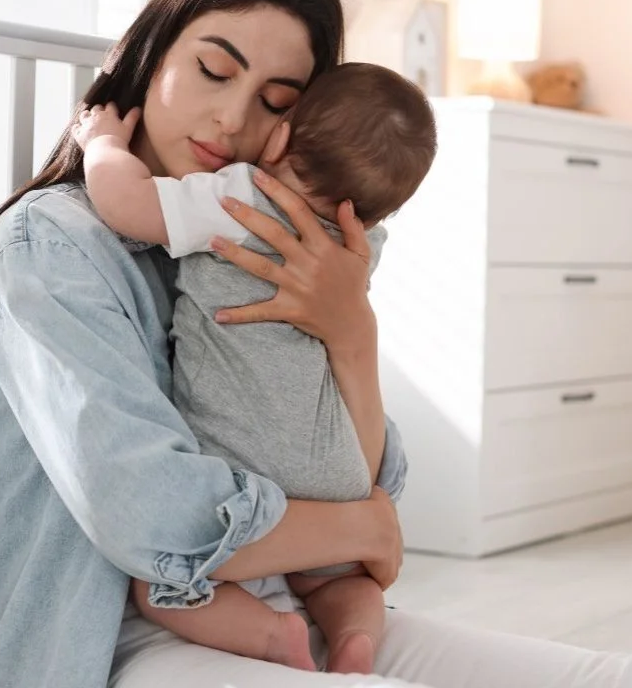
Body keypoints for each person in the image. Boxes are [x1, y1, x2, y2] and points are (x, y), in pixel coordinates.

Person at [0, 0, 632, 685]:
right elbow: (151, 519)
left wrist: (350, 334)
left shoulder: (268, 232)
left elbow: (361, 475)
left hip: (299, 612)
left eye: (275, 99)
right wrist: (360, 529)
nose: (232, 118)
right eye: (214, 70)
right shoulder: (56, 244)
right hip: (117, 643)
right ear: (150, 50)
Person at [69, 60, 438, 675]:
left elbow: (126, 204)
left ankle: (274, 639)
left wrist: (103, 144)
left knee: (165, 583)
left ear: (284, 135)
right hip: (345, 466)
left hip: (246, 452)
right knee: (338, 582)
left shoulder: (240, 195)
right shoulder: (360, 246)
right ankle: (354, 638)